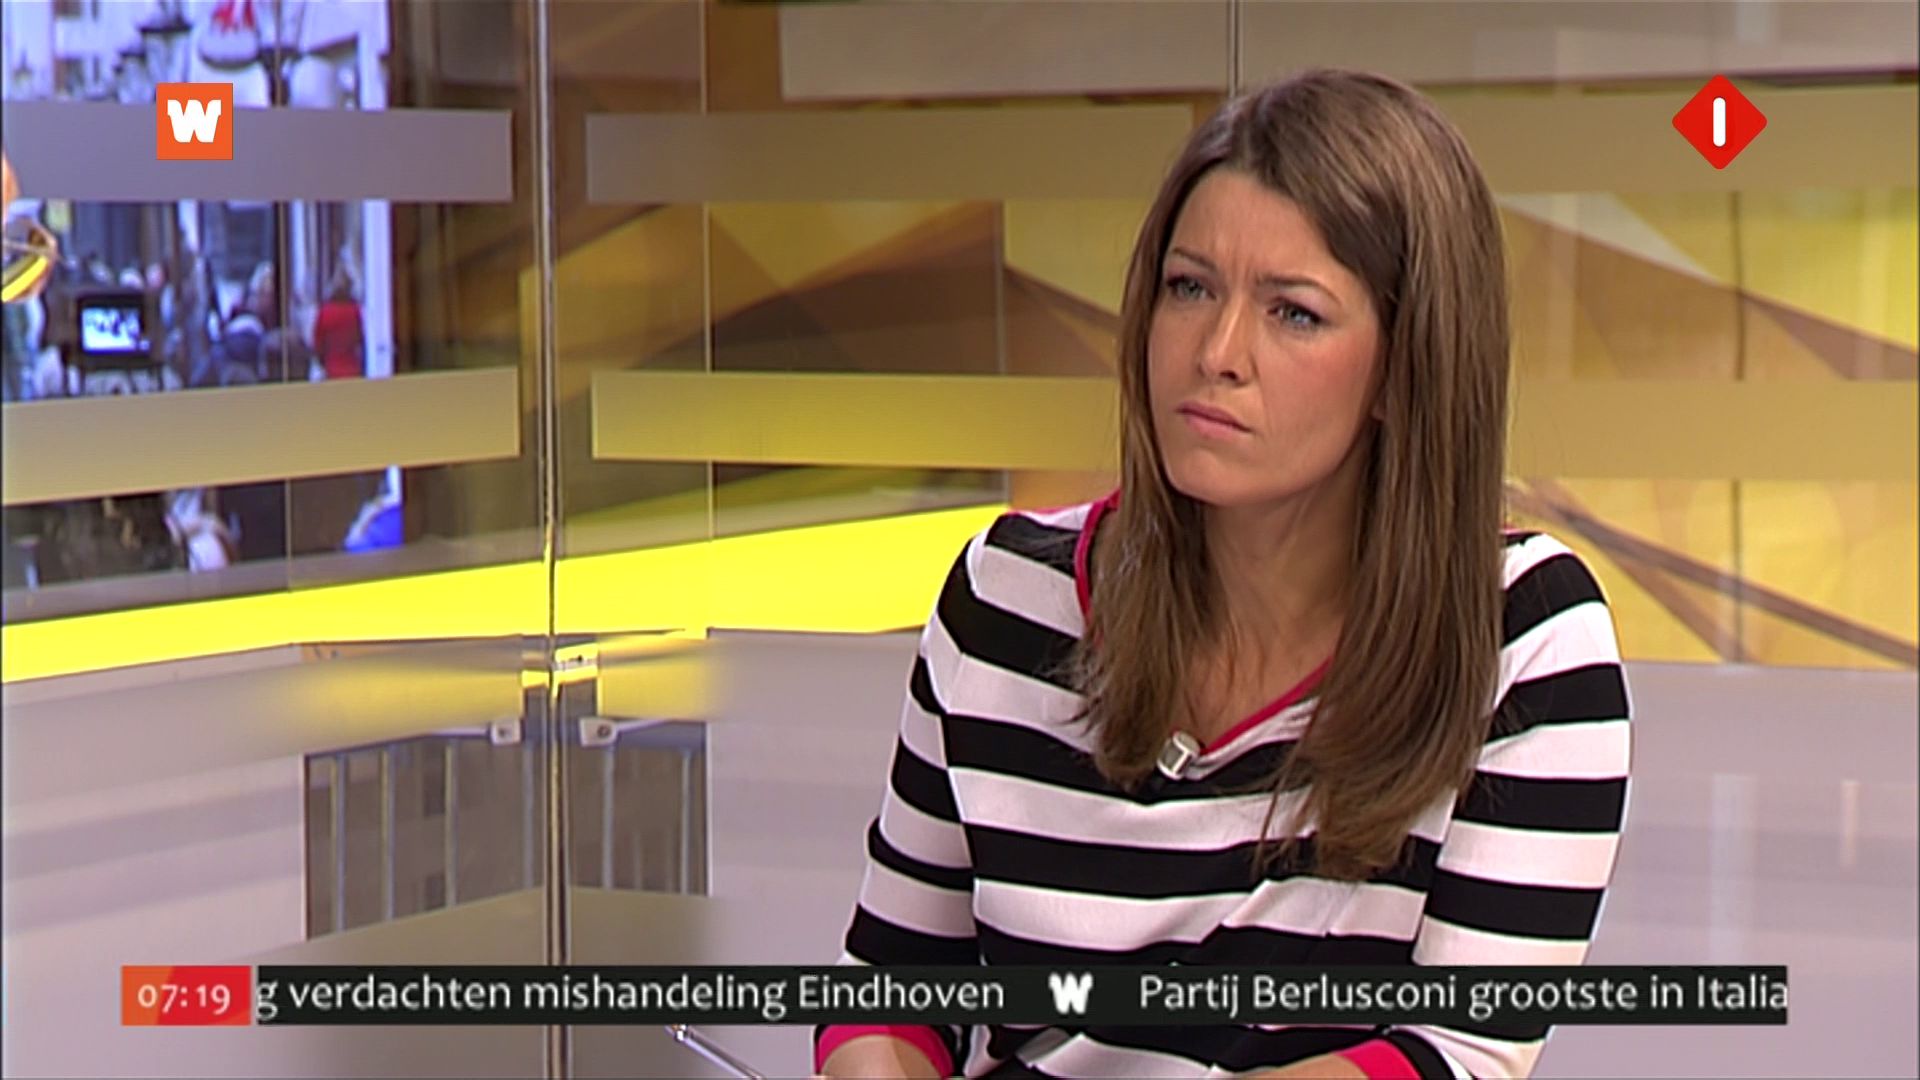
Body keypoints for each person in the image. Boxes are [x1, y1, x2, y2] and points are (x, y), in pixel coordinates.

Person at [816, 70, 1630, 1080]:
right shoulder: (1004, 600)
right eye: (1190, 288)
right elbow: (894, 983)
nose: (1217, 352)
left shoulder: (1524, 639)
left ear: (1404, 365)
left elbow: (1456, 1051)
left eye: (1294, 313)